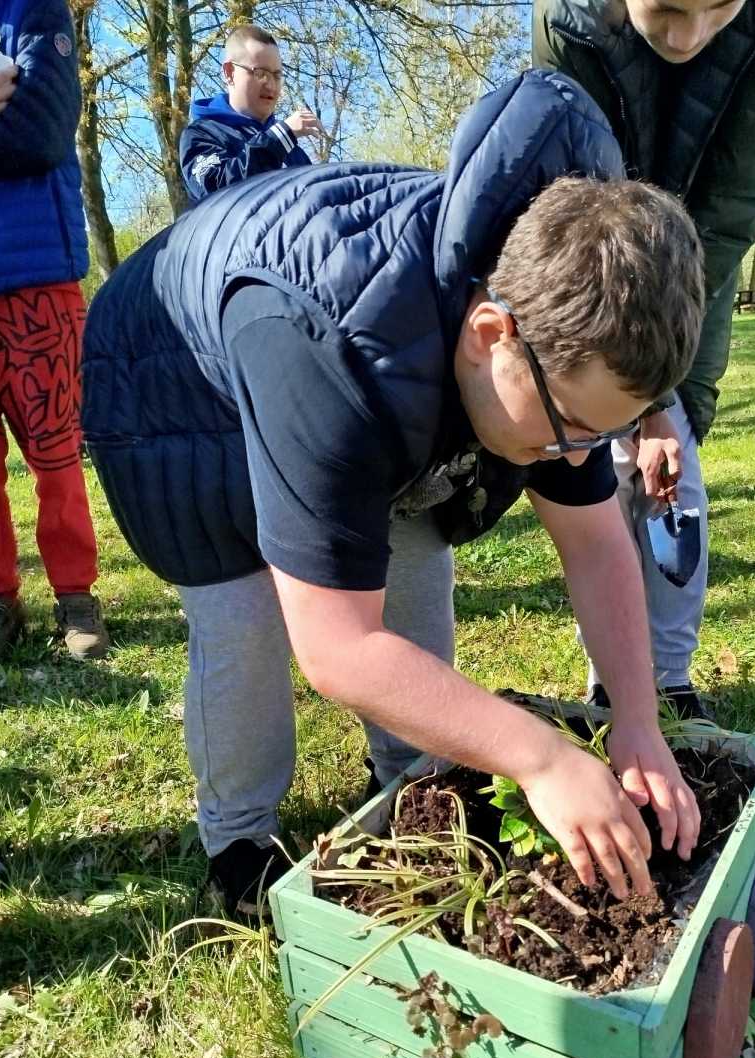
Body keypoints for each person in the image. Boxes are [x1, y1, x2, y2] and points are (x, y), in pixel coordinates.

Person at [82, 70, 705, 918]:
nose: (574, 456)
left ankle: (408, 782)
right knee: (247, 617)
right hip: (173, 383)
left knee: (412, 554)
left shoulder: (556, 319)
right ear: (491, 334)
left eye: (602, 432)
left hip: (361, 366)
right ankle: (239, 841)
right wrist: (542, 757)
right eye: (570, 429)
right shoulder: (326, 346)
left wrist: (636, 718)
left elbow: (596, 542)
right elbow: (338, 647)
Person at [533, 0, 755, 714]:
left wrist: (664, 401)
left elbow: (730, 209)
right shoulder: (568, 21)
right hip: (593, 281)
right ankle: (611, 672)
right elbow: (578, 216)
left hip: (695, 287)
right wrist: (642, 399)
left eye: (720, 8)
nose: (687, 37)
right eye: (667, 7)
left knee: (675, 484)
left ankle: (668, 676)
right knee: (602, 478)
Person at [0, 0, 109, 661]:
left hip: (37, 275)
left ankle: (75, 595)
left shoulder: (33, 9)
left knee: (57, 454)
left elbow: (39, 131)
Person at [179, 23, 320, 204]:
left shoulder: (292, 149)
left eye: (277, 75)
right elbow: (217, 190)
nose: (271, 85)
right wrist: (279, 138)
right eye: (260, 73)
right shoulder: (201, 135)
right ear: (229, 73)